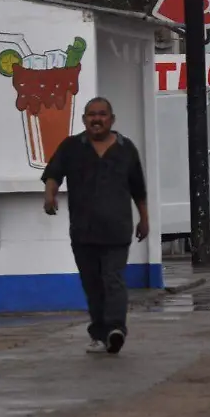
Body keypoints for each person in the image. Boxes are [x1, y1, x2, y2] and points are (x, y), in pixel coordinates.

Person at [42, 97, 149, 355]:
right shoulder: (71, 147)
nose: (96, 119)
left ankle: (115, 329)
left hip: (117, 229)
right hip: (83, 231)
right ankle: (100, 334)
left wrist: (144, 219)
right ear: (84, 120)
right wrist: (50, 195)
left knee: (112, 279)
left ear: (111, 119)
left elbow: (138, 189)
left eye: (102, 114)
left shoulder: (126, 149)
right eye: (91, 114)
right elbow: (54, 173)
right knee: (92, 285)